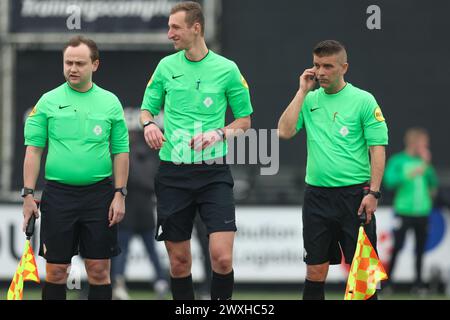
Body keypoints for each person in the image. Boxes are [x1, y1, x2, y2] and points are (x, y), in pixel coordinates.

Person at [140, 1, 253, 300]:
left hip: (213, 172)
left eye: (175, 28)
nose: (169, 34)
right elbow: (146, 110)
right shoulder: (166, 67)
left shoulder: (227, 70)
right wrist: (149, 123)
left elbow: (244, 121)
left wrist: (219, 133)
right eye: (168, 27)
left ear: (196, 28)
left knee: (222, 258)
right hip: (173, 175)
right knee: (179, 263)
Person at [278, 40, 389, 300]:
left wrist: (373, 193)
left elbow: (378, 149)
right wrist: (301, 91)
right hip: (317, 198)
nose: (320, 72)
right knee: (315, 271)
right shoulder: (310, 99)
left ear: (344, 67)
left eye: (328, 66)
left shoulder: (363, 100)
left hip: (355, 198)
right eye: (317, 65)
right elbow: (283, 131)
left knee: (362, 277)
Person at [22, 35, 129, 300]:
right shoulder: (47, 101)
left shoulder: (110, 102)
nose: (72, 68)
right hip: (59, 196)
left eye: (80, 63)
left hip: (100, 195)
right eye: (68, 62)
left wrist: (119, 193)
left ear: (95, 65)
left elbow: (120, 152)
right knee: (57, 271)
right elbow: (34, 150)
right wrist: (27, 194)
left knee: (99, 269)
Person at [111, 130, 169, 300]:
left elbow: (142, 181)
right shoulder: (149, 158)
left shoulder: (126, 159)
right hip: (136, 213)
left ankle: (157, 281)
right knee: (131, 251)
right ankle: (158, 281)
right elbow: (152, 183)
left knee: (130, 251)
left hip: (132, 214)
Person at [384, 128, 438, 292]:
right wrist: (411, 174)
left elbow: (432, 184)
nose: (426, 146)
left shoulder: (425, 163)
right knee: (397, 247)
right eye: (423, 143)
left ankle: (419, 284)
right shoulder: (398, 161)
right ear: (414, 143)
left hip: (422, 212)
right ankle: (388, 284)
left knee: (420, 250)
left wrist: (426, 166)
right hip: (404, 211)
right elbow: (389, 181)